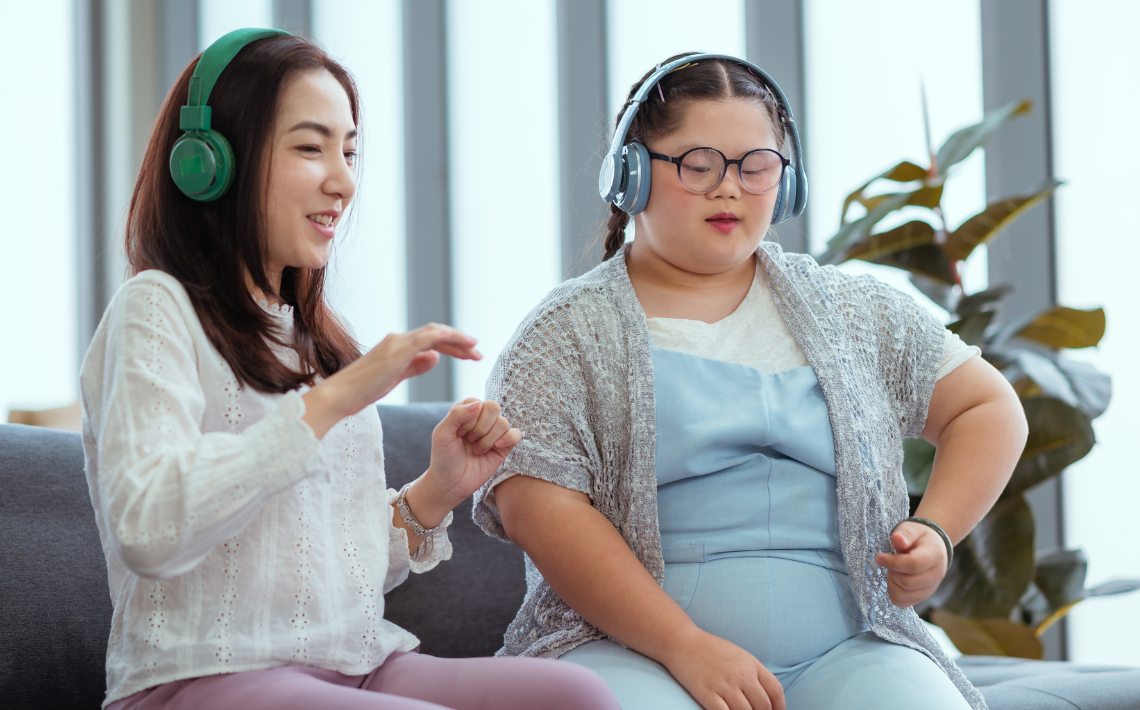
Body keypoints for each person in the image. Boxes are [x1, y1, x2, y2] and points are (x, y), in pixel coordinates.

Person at [80, 29, 618, 710]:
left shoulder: (312, 341)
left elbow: (333, 569)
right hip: (200, 679)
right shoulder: (154, 309)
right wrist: (332, 401)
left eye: (349, 150)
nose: (343, 179)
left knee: (577, 696)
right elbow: (148, 531)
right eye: (310, 147)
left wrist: (436, 489)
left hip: (354, 665)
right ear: (207, 163)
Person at [473, 53, 1028, 710]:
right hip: (632, 649)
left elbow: (988, 406)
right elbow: (538, 509)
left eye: (756, 166)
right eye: (699, 165)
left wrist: (936, 529)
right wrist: (684, 645)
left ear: (786, 183)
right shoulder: (565, 332)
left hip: (850, 648)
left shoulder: (853, 310)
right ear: (630, 176)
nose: (729, 188)